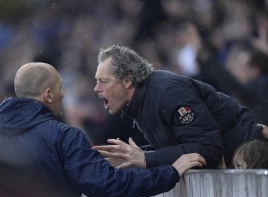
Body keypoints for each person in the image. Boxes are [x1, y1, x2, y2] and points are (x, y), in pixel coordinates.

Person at [0, 62, 206, 197]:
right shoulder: (64, 137)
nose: (64, 95)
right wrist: (171, 172)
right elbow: (108, 186)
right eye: (61, 88)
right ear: (48, 95)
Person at [92, 45, 268, 169]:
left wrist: (146, 158)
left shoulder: (167, 94)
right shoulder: (142, 102)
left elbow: (208, 148)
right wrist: (129, 157)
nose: (96, 88)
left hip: (251, 159)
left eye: (104, 81)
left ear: (127, 81)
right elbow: (181, 146)